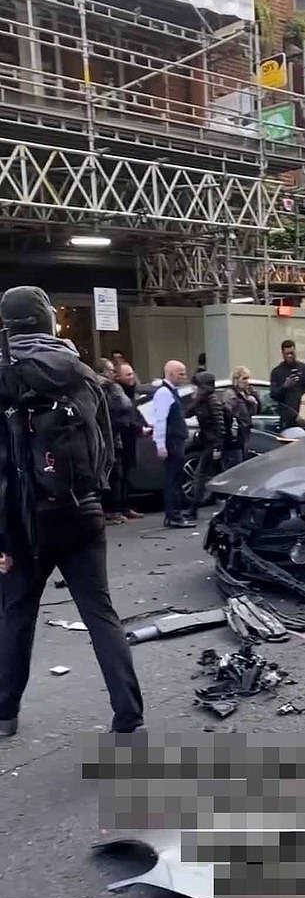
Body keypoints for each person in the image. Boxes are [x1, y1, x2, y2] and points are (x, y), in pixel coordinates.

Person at [0, 285, 144, 738]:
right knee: (100, 613)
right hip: (83, 510)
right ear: (48, 322)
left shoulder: (6, 375)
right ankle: (129, 716)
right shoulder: (80, 371)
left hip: (24, 520)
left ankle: (5, 714)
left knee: (16, 613)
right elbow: (109, 441)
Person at [152, 359, 195, 529]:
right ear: (170, 373)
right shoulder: (164, 393)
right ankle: (173, 515)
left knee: (176, 479)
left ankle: (175, 513)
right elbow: (160, 420)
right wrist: (160, 444)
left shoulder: (171, 391)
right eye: (180, 372)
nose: (184, 376)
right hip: (172, 441)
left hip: (176, 440)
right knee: (173, 480)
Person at [94, 357, 136, 525]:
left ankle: (112, 509)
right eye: (111, 371)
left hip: (101, 436)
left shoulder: (92, 387)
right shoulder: (109, 388)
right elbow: (125, 405)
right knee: (115, 475)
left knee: (110, 475)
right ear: (103, 371)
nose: (113, 374)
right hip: (111, 436)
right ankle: (114, 510)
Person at [114, 360, 152, 520]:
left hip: (129, 440)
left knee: (126, 474)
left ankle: (124, 507)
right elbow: (123, 418)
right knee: (119, 476)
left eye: (132, 373)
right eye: (128, 374)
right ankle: (118, 508)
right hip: (120, 440)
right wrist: (139, 428)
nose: (132, 377)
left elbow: (134, 414)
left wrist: (143, 426)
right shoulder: (117, 394)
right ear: (118, 376)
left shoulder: (130, 394)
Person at [188, 371, 224, 518]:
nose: (195, 389)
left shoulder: (213, 401)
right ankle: (194, 509)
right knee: (206, 476)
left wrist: (218, 447)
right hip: (207, 442)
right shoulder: (201, 401)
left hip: (213, 444)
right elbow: (187, 413)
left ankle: (193, 509)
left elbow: (219, 425)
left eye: (197, 386)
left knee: (202, 476)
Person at [270, 340, 305, 430]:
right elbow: (273, 395)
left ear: (295, 351)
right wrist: (285, 386)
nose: (290, 356)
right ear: (282, 354)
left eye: (292, 353)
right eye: (287, 354)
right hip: (287, 416)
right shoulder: (277, 372)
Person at [223, 366, 261, 468]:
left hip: (244, 434)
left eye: (248, 378)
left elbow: (254, 412)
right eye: (244, 378)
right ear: (236, 380)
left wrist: (253, 401)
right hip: (235, 436)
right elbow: (229, 414)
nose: (247, 381)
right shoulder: (231, 395)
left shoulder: (247, 394)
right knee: (236, 465)